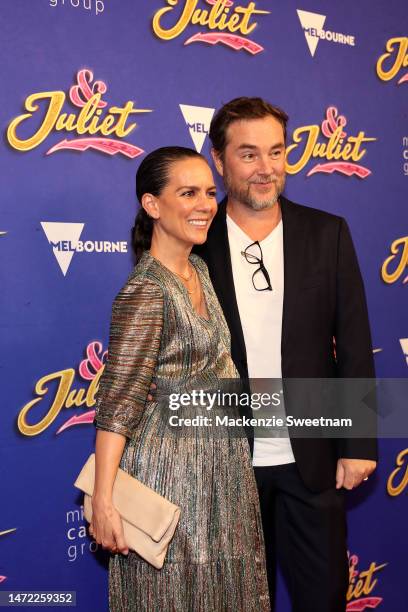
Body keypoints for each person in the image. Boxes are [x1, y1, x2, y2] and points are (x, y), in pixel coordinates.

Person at [195, 97, 378, 612]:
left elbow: (357, 343)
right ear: (219, 158)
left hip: (312, 461)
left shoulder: (327, 232)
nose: (266, 168)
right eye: (248, 154)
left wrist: (359, 441)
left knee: (321, 600)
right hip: (224, 466)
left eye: (276, 152)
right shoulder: (193, 242)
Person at [90, 146, 270, 612]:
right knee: (172, 596)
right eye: (187, 192)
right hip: (169, 473)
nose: (204, 204)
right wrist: (104, 502)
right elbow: (118, 403)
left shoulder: (201, 270)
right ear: (152, 205)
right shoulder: (146, 291)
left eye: (210, 192)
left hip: (223, 468)